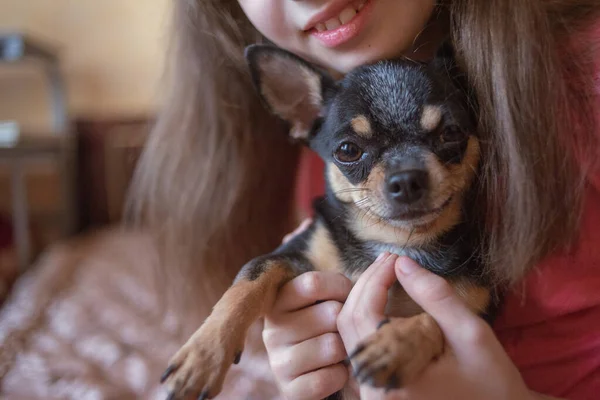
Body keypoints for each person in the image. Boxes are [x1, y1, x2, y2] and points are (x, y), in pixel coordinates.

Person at [126, 1, 600, 399]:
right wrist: (311, 355)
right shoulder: (322, 160)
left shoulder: (582, 83)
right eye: (353, 153)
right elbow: (282, 273)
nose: (402, 182)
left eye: (446, 138)